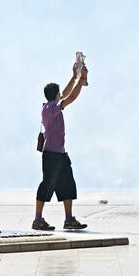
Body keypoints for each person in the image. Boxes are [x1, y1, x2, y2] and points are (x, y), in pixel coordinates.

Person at [34, 58, 88, 231]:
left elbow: (65, 94)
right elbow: (70, 97)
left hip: (60, 154)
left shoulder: (50, 105)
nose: (61, 95)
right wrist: (81, 79)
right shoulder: (51, 108)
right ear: (55, 95)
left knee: (67, 184)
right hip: (51, 154)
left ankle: (69, 219)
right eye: (58, 93)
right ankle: (38, 219)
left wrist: (74, 77)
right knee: (47, 185)